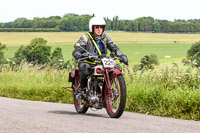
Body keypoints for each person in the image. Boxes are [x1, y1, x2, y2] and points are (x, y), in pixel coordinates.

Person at [72, 16, 128, 99]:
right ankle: (82, 90)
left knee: (112, 69)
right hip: (87, 61)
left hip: (100, 62)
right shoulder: (85, 38)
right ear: (92, 27)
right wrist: (81, 55)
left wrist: (121, 55)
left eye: (101, 27)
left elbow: (113, 47)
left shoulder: (105, 37)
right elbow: (76, 51)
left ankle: (105, 90)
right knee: (85, 68)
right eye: (97, 27)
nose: (99, 29)